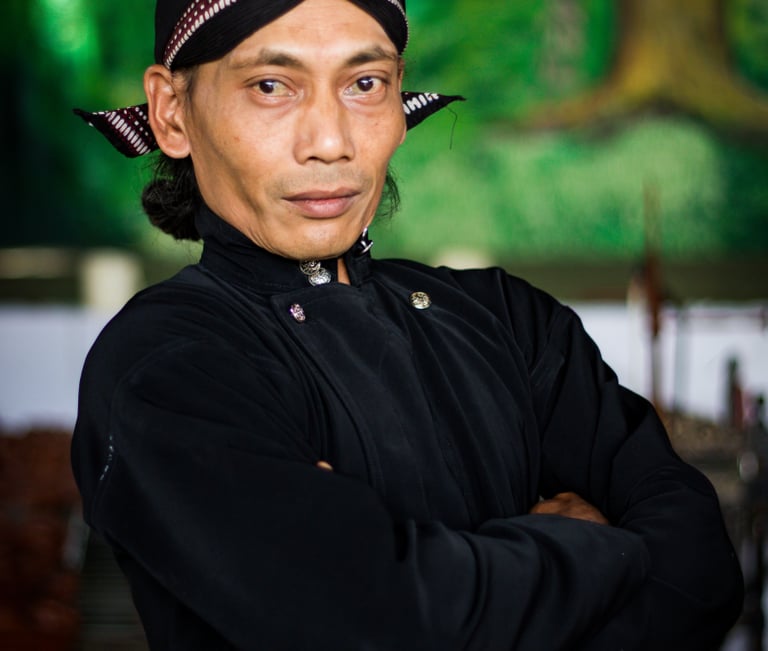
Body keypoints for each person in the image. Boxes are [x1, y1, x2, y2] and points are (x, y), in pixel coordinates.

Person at [71, 1, 743, 649]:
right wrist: (601, 545)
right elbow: (377, 623)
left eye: (365, 83)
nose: (330, 143)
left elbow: (701, 573)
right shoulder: (166, 364)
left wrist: (441, 571)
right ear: (172, 112)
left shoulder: (510, 321)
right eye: (271, 86)